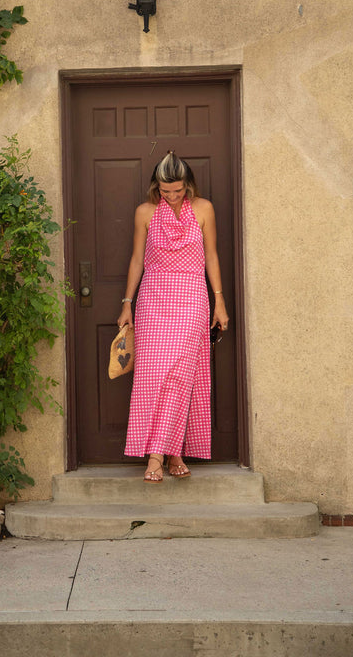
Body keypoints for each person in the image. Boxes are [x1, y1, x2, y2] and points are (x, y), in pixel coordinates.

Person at [117, 151, 229, 482]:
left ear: (188, 185)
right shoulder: (145, 212)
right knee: (153, 375)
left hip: (192, 298)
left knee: (181, 373)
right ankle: (170, 451)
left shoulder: (204, 209)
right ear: (157, 187)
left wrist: (219, 301)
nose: (173, 196)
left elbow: (211, 255)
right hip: (152, 299)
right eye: (166, 191)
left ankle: (160, 454)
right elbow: (137, 259)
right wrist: (127, 302)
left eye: (178, 190)